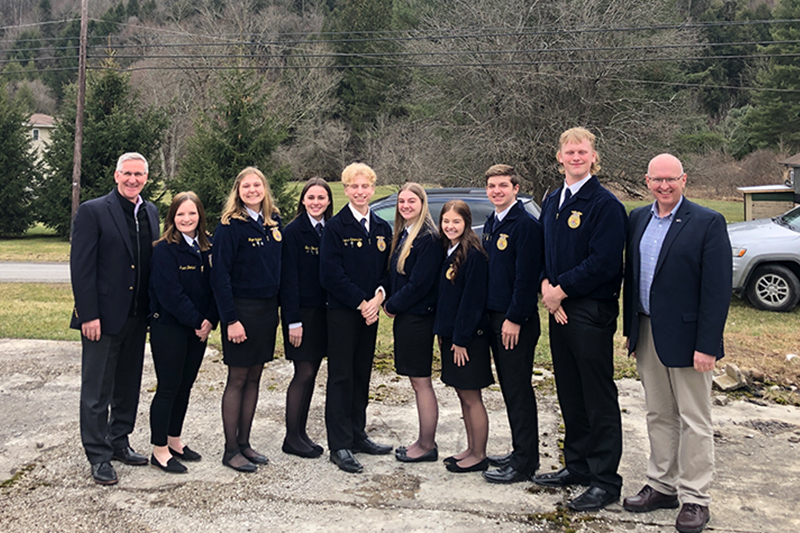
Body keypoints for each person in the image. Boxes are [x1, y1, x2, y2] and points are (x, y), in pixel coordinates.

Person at [622, 154, 732, 533]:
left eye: (671, 179)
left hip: (689, 339)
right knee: (658, 414)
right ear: (647, 181)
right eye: (657, 180)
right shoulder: (637, 218)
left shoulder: (707, 222)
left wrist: (708, 345)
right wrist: (632, 332)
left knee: (694, 419)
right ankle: (662, 486)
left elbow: (716, 291)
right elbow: (631, 280)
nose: (664, 186)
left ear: (684, 179)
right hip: (648, 330)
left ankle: (695, 498)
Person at [533, 127, 628, 512]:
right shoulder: (554, 198)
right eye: (569, 152)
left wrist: (561, 289)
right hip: (559, 309)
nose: (575, 157)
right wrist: (545, 285)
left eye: (582, 152)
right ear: (559, 157)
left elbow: (604, 262)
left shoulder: (604, 204)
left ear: (593, 157)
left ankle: (605, 480)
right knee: (570, 391)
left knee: (597, 396)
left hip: (590, 309)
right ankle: (577, 466)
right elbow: (544, 250)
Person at [70, 152, 160, 485]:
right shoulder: (93, 211)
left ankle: (119, 440)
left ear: (146, 178)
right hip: (103, 319)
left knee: (127, 385)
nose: (133, 179)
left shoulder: (150, 212)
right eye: (127, 174)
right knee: (97, 391)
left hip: (137, 317)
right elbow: (81, 268)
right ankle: (98, 454)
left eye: (139, 174)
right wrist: (88, 315)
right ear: (116, 175)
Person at [320, 162, 393, 474]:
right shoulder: (336, 227)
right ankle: (339, 445)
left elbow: (387, 272)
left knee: (362, 373)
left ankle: (357, 433)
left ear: (372, 190)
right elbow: (330, 274)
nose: (360, 192)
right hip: (342, 314)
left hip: (370, 313)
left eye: (365, 187)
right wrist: (360, 302)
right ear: (346, 190)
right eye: (354, 187)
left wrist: (377, 298)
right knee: (341, 376)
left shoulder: (381, 227)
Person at [211, 167, 282, 473]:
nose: (252, 190)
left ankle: (245, 443)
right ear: (237, 191)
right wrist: (230, 319)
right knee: (237, 379)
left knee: (255, 377)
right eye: (245, 186)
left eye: (257, 185)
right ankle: (230, 450)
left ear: (264, 189)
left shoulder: (273, 222)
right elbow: (219, 277)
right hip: (241, 312)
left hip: (267, 312)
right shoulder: (230, 226)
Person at [481, 164, 544, 484]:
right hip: (495, 317)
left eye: (503, 185)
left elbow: (526, 279)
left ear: (516, 188)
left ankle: (525, 463)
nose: (496, 191)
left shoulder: (525, 226)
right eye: (491, 186)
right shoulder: (494, 221)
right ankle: (520, 450)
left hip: (514, 322)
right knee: (509, 389)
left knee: (518, 391)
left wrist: (515, 319)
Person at [148, 192, 217, 473]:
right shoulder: (164, 249)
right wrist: (197, 321)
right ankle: (159, 449)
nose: (186, 219)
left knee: (185, 387)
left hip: (199, 329)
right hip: (170, 328)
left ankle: (174, 440)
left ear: (199, 215)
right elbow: (170, 294)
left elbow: (217, 285)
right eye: (180, 214)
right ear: (172, 218)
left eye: (191, 214)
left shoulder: (208, 246)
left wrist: (211, 320)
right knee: (168, 387)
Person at [383, 183, 443, 463]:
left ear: (422, 203)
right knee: (416, 381)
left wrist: (392, 305)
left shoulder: (428, 238)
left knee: (421, 382)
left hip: (418, 318)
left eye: (411, 201)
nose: (405, 205)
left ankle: (427, 445)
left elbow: (420, 284)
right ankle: (422, 440)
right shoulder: (405, 234)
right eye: (401, 201)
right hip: (408, 318)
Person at [434, 200, 493, 473]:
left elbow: (472, 302)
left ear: (466, 223)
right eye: (446, 221)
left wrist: (460, 339)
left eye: (456, 222)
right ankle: (470, 448)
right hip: (452, 337)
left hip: (469, 341)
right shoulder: (450, 251)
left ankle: (479, 454)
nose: (450, 226)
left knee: (471, 397)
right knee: (462, 394)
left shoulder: (474, 255)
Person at [279, 178, 333, 459]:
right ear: (303, 200)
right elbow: (288, 281)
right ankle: (291, 437)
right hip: (302, 315)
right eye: (311, 197)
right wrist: (293, 321)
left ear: (328, 201)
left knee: (312, 375)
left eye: (321, 198)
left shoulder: (329, 229)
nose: (316, 202)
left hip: (324, 314)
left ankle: (301, 433)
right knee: (303, 373)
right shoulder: (293, 232)